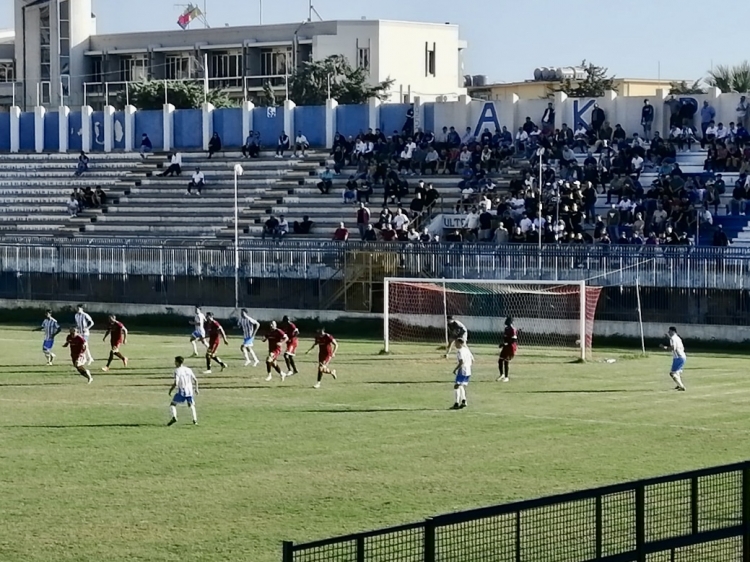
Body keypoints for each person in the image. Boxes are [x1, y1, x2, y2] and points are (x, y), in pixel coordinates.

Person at [167, 356, 198, 426]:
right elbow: (195, 380)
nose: (174, 363)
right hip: (190, 390)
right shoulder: (188, 369)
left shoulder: (177, 370)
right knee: (191, 405)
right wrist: (196, 389)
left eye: (175, 361)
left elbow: (176, 383)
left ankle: (174, 417)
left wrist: (170, 390)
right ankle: (195, 420)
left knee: (173, 404)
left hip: (182, 391)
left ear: (177, 362)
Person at [661, 326, 687, 391]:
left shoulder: (672, 339)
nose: (668, 332)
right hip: (683, 356)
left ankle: (681, 386)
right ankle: (679, 385)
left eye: (669, 331)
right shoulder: (678, 338)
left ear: (673, 331)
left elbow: (673, 348)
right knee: (677, 372)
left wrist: (665, 347)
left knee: (673, 373)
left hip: (678, 357)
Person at [451, 338, 474, 409]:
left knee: (456, 385)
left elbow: (461, 361)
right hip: (468, 370)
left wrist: (455, 369)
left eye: (456, 343)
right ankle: (463, 401)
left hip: (462, 370)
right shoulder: (467, 350)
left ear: (460, 343)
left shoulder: (460, 351)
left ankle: (457, 402)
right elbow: (472, 360)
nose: (455, 345)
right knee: (461, 385)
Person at [497, 316, 518, 382]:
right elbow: (505, 339)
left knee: (506, 361)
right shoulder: (506, 329)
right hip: (506, 347)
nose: (505, 321)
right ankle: (502, 375)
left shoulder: (512, 329)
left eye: (507, 320)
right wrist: (503, 344)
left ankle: (506, 377)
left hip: (511, 347)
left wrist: (505, 344)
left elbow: (513, 340)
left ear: (510, 321)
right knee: (500, 360)